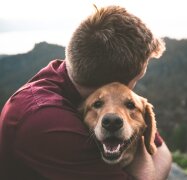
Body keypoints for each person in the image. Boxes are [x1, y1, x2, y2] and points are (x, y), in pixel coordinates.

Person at [0, 5, 172, 180]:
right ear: (116, 83)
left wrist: (141, 142)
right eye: (139, 76)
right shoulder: (47, 120)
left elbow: (163, 153)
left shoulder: (66, 75)